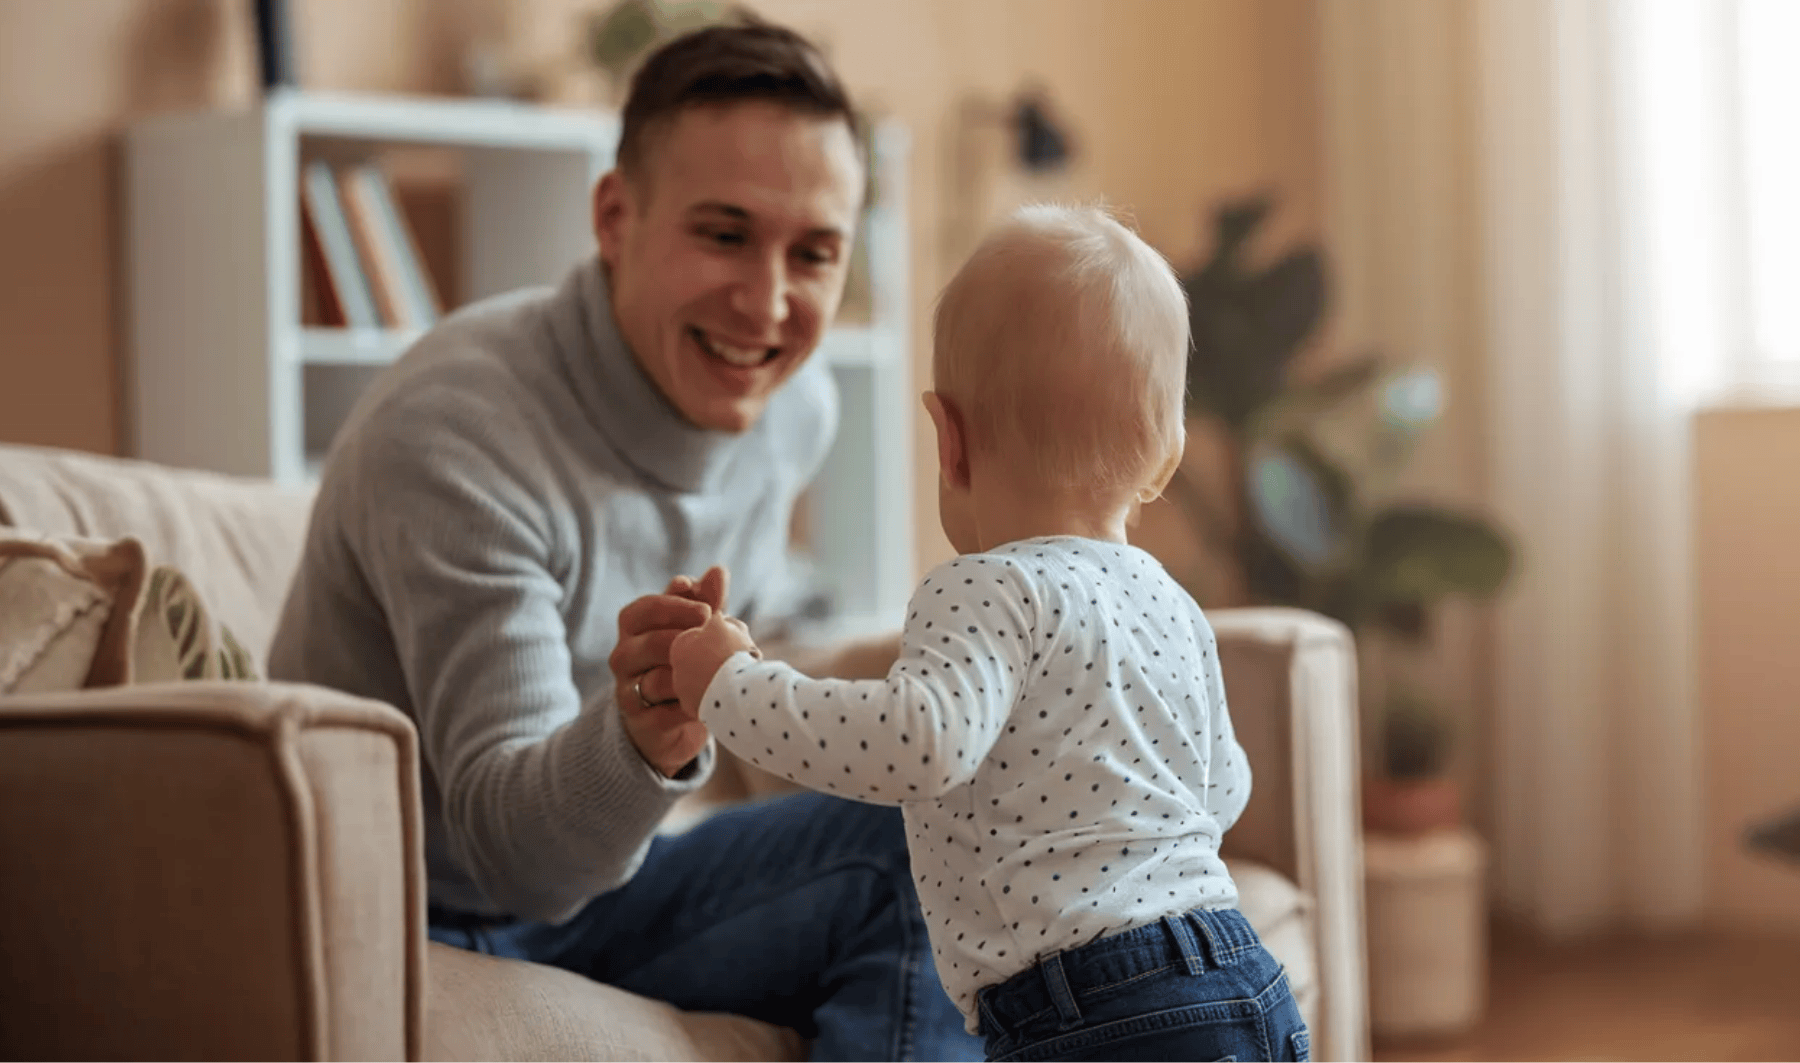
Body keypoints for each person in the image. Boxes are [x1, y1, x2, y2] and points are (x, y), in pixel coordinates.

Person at [267, 18, 981, 1062]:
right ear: (615, 217)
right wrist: (647, 732)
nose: (769, 304)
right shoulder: (460, 433)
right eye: (725, 234)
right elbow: (513, 857)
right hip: (427, 902)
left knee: (939, 829)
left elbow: (759, 654)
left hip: (615, 881)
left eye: (814, 252)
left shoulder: (799, 407)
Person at [668, 204, 1313, 1062]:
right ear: (1166, 456)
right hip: (1244, 980)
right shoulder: (1170, 602)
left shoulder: (983, 589)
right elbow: (1224, 786)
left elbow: (917, 743)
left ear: (949, 440)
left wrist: (729, 687)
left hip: (1096, 1014)